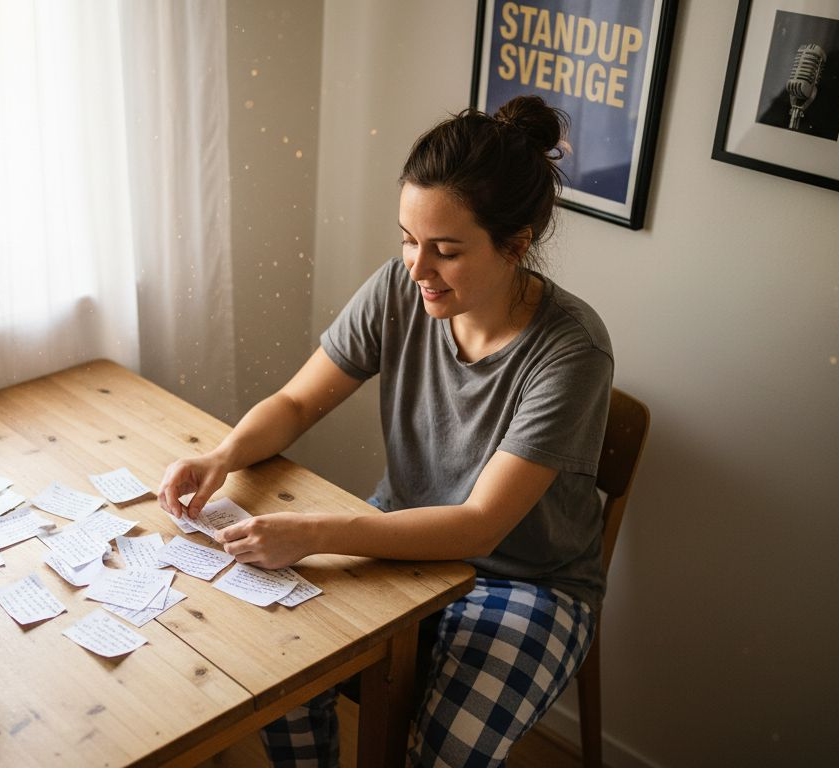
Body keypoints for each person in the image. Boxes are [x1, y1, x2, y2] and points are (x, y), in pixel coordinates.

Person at [157, 95, 613, 767]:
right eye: (406, 239)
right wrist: (222, 455)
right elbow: (296, 402)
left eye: (446, 251)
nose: (416, 268)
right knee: (282, 672)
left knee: (443, 752)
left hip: (529, 580)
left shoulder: (571, 351)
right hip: (398, 537)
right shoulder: (401, 291)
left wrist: (312, 533)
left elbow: (479, 526)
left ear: (515, 246)